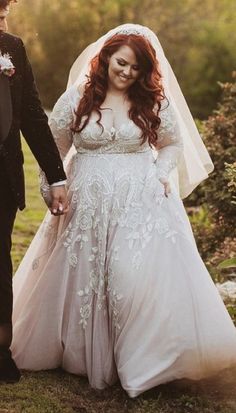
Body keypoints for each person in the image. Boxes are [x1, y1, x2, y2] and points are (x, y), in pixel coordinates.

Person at [11, 24, 236, 397]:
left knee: (129, 277)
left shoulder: (153, 100)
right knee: (86, 275)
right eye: (121, 63)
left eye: (135, 68)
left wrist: (161, 175)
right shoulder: (79, 96)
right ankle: (85, 354)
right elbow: (53, 144)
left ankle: (144, 360)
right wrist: (49, 188)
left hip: (139, 201)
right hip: (86, 202)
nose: (127, 72)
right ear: (106, 58)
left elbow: (172, 144)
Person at [0, 0, 68, 383]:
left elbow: (32, 114)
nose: (3, 23)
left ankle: (0, 351)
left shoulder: (12, 48)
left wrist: (56, 176)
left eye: (4, 14)